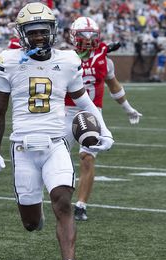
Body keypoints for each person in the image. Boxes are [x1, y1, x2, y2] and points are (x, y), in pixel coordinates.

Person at [0, 3, 113, 260]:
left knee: (62, 202)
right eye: (33, 33)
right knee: (31, 223)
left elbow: (83, 101)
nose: (39, 38)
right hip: (22, 147)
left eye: (43, 32)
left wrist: (104, 129)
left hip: (56, 143)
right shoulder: (9, 61)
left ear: (53, 32)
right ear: (22, 35)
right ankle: (36, 216)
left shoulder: (67, 61)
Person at [64, 17, 142, 221]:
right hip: (65, 110)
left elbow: (114, 85)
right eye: (83, 35)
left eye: (92, 36)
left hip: (92, 113)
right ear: (74, 36)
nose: (89, 40)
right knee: (58, 155)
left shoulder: (104, 60)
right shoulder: (65, 58)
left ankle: (81, 205)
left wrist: (128, 108)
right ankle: (58, 197)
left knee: (87, 158)